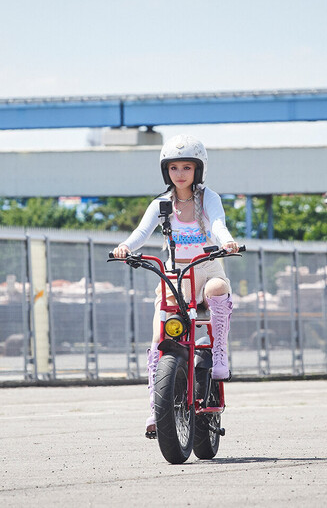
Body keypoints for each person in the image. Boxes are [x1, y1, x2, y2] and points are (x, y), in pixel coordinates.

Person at [111, 134, 239, 438]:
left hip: (206, 267)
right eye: (173, 168)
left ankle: (219, 352)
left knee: (216, 291)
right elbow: (141, 233)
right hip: (174, 275)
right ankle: (157, 407)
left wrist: (227, 241)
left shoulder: (209, 197)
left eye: (186, 167)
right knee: (158, 337)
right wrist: (124, 247)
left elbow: (218, 223)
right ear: (165, 171)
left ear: (198, 170)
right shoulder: (161, 204)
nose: (180, 173)